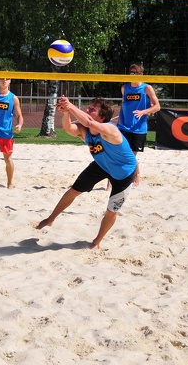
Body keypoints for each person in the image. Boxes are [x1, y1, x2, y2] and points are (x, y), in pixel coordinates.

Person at [36, 96, 137, 250]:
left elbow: (89, 122)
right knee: (74, 190)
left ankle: (96, 242)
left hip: (123, 173)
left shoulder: (110, 130)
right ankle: (50, 219)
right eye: (88, 108)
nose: (87, 110)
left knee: (111, 210)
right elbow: (69, 129)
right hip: (102, 165)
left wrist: (70, 106)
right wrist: (65, 113)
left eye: (92, 109)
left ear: (102, 117)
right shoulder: (86, 130)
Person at [117, 63, 161, 185]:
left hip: (138, 128)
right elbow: (123, 105)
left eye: (136, 73)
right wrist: (119, 122)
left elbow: (157, 106)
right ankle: (113, 182)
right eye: (132, 72)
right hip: (123, 126)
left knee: (131, 155)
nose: (134, 75)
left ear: (141, 74)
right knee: (121, 154)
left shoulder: (147, 88)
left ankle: (137, 176)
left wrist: (144, 112)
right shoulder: (124, 88)